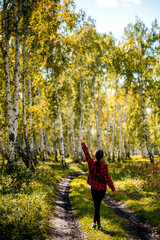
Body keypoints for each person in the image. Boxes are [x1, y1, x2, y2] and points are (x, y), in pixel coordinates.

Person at [80, 136, 116, 230]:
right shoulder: (104, 165)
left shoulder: (91, 163)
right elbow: (107, 178)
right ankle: (96, 223)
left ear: (95, 155)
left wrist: (83, 142)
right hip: (102, 190)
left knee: (97, 206)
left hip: (94, 188)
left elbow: (86, 153)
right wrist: (113, 188)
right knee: (97, 206)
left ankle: (96, 224)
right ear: (102, 157)